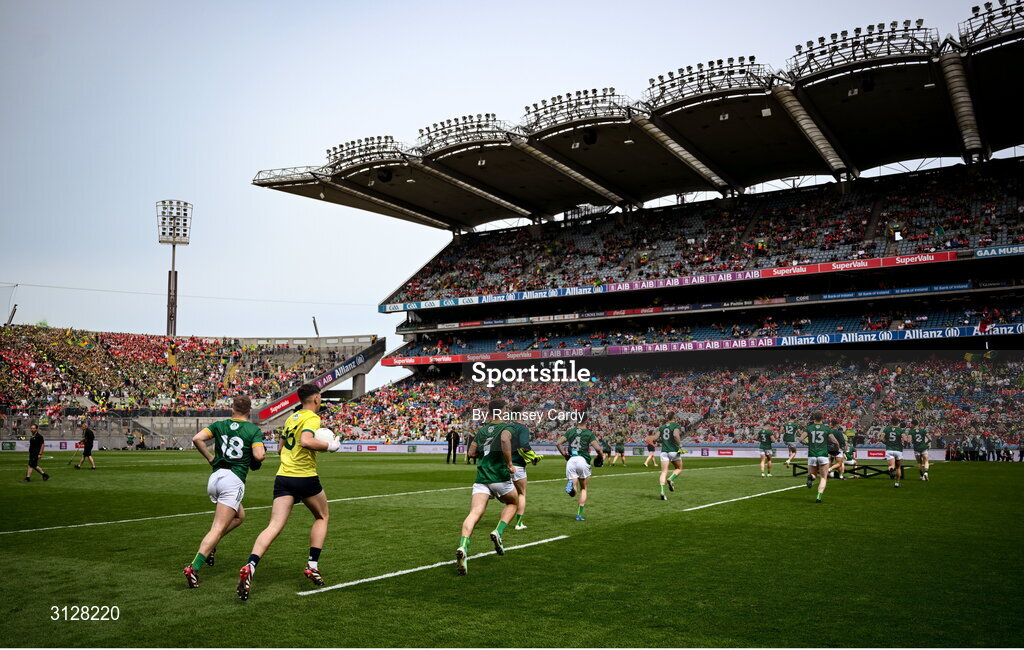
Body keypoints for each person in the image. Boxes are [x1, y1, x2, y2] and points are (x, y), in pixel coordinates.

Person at [237, 384, 340, 600]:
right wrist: (329, 446)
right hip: (304, 477)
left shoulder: (291, 418)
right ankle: (312, 565)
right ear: (316, 398)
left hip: (283, 477)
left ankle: (251, 565)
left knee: (274, 525)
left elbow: (279, 448)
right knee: (322, 516)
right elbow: (306, 441)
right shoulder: (312, 418)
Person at [183, 396, 266, 588]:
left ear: (232, 409)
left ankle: (211, 547)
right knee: (217, 528)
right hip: (233, 480)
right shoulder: (253, 430)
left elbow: (197, 439)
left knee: (239, 516)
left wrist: (211, 458)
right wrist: (258, 455)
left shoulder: (220, 425)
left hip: (215, 477)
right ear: (250, 412)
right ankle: (194, 568)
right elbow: (259, 455)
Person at [455, 399, 520, 576]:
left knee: (474, 513)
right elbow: (505, 440)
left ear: (490, 412)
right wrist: (509, 463)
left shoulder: (482, 430)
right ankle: (498, 532)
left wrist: (482, 452)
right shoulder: (508, 427)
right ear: (504, 411)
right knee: (514, 502)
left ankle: (463, 545)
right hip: (499, 476)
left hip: (482, 477)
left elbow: (471, 453)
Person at [556, 413, 604, 521]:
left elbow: (558, 443)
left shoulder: (570, 431)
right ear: (586, 420)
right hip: (582, 460)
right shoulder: (588, 433)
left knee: (574, 490)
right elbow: (598, 449)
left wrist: (564, 455)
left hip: (571, 460)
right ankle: (579, 515)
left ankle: (572, 487)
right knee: (584, 489)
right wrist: (601, 457)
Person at [507, 406, 539, 532]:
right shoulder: (523, 428)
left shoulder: (506, 427)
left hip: (505, 464)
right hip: (518, 465)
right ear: (521, 414)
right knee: (521, 493)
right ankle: (519, 523)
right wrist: (533, 455)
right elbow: (524, 445)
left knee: (506, 493)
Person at [802, 412, 837, 503]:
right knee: (823, 477)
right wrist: (836, 448)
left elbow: (800, 439)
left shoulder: (809, 428)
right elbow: (835, 441)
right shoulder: (826, 429)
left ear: (814, 418)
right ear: (823, 418)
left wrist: (806, 443)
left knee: (814, 475)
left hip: (812, 454)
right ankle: (818, 497)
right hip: (823, 455)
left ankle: (811, 477)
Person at [655, 413, 684, 500]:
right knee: (678, 468)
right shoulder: (676, 425)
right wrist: (681, 446)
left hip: (664, 452)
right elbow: (675, 435)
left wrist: (663, 441)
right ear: (674, 417)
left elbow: (655, 438)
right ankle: (671, 479)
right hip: (674, 451)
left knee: (663, 472)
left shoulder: (662, 427)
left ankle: (662, 493)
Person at [881, 417, 906, 488]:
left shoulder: (887, 429)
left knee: (891, 465)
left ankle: (891, 469)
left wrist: (886, 443)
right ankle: (897, 483)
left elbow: (881, 438)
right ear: (898, 423)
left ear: (891, 422)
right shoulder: (900, 430)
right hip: (898, 450)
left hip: (889, 449)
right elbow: (905, 439)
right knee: (898, 467)